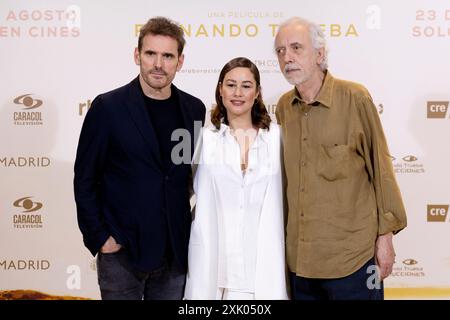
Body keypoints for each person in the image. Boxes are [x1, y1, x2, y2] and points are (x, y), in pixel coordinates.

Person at [274, 17, 407, 300]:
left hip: (352, 261)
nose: (288, 57)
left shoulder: (355, 97)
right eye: (281, 51)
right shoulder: (284, 107)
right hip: (300, 263)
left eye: (296, 48)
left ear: (320, 54)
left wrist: (386, 239)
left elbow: (381, 168)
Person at [73, 16, 206, 300]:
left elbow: (182, 175)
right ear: (137, 55)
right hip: (122, 253)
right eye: (151, 54)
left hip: (174, 255)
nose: (159, 64)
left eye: (168, 56)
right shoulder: (108, 107)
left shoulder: (194, 109)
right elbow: (85, 179)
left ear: (180, 61)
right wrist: (100, 239)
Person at [184, 57, 288, 300]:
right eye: (230, 85)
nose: (237, 93)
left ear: (258, 92)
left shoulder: (277, 138)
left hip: (262, 270)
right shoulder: (203, 138)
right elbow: (181, 191)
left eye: (246, 85)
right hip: (213, 269)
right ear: (220, 90)